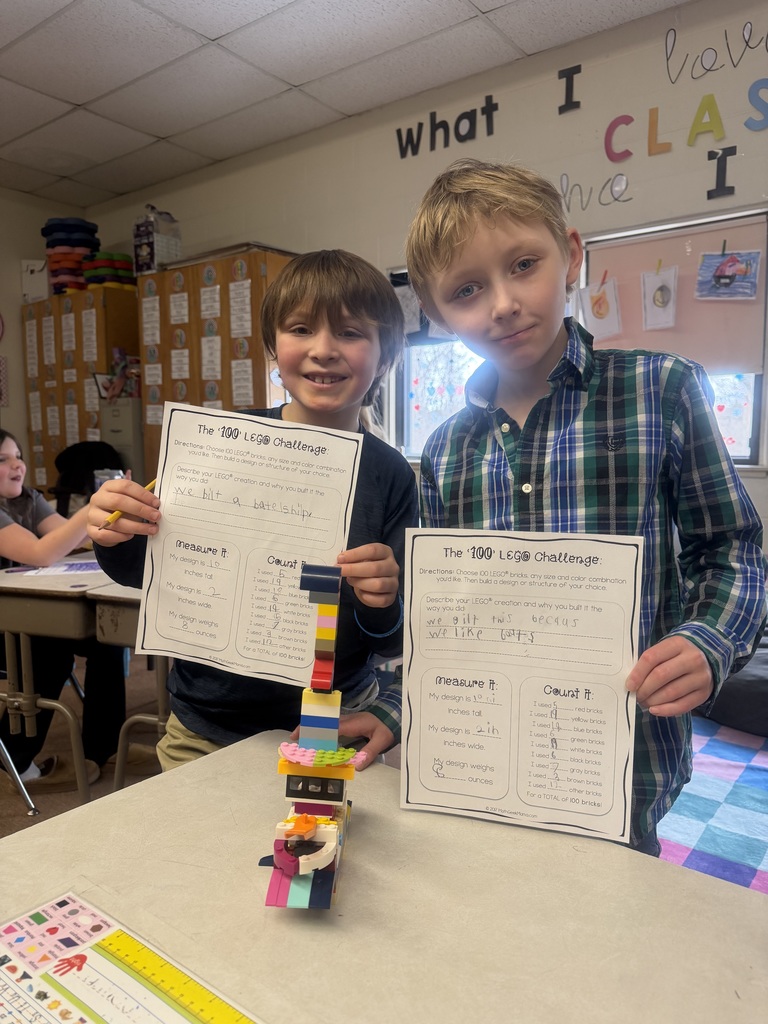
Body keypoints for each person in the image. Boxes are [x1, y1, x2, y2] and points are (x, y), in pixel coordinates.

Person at [404, 158, 766, 854]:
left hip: (625, 756)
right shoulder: (446, 448)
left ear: (570, 256)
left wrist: (709, 639)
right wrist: (399, 705)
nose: (503, 303)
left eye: (523, 265)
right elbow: (436, 619)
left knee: (611, 941)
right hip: (482, 755)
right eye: (468, 290)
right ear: (436, 311)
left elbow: (731, 549)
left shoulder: (662, 391)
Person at [88, 249, 419, 770]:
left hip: (335, 723)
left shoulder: (390, 474)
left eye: (352, 333)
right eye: (301, 328)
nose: (324, 350)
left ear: (387, 355)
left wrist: (382, 599)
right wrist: (114, 532)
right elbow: (144, 571)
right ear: (272, 347)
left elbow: (394, 636)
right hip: (205, 725)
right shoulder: (221, 444)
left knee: (321, 849)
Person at [0, 429, 127, 791]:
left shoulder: (28, 499)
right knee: (49, 652)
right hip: (8, 626)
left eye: (18, 455)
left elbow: (78, 537)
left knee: (105, 638)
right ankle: (15, 757)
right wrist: (91, 507)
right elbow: (42, 553)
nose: (17, 465)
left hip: (22, 614)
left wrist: (113, 511)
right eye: (3, 459)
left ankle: (102, 749)